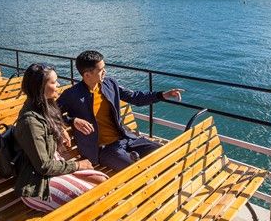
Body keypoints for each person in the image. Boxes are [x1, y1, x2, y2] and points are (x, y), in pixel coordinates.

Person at [58, 50, 184, 171]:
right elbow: (50, 113)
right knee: (137, 169)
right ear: (87, 75)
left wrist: (162, 95)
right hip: (103, 149)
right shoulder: (72, 95)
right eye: (101, 70)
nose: (105, 72)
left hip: (125, 139)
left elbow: (135, 97)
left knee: (163, 153)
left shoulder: (110, 84)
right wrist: (72, 121)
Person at [14, 63, 108, 212]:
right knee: (94, 197)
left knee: (103, 181)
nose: (58, 85)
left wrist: (60, 128)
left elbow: (56, 120)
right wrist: (77, 165)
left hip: (54, 166)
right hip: (37, 183)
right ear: (40, 87)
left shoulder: (45, 105)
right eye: (53, 82)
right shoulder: (30, 122)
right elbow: (44, 166)